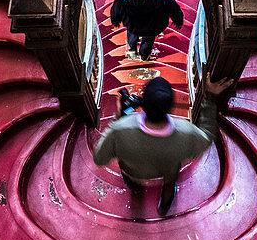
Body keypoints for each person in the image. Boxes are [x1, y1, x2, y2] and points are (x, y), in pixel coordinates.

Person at [93, 76, 234, 216]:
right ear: (170, 107)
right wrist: (210, 98)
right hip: (168, 170)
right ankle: (165, 205)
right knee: (170, 182)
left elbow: (99, 158)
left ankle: (136, 190)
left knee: (132, 179)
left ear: (144, 104)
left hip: (132, 171)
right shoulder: (186, 131)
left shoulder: (119, 129)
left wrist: (118, 118)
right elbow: (207, 137)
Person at [111, 0, 184, 62]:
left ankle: (132, 50)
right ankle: (144, 56)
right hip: (152, 28)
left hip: (133, 26)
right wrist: (178, 21)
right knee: (148, 40)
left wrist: (115, 21)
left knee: (132, 33)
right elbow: (175, 10)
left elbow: (115, 11)